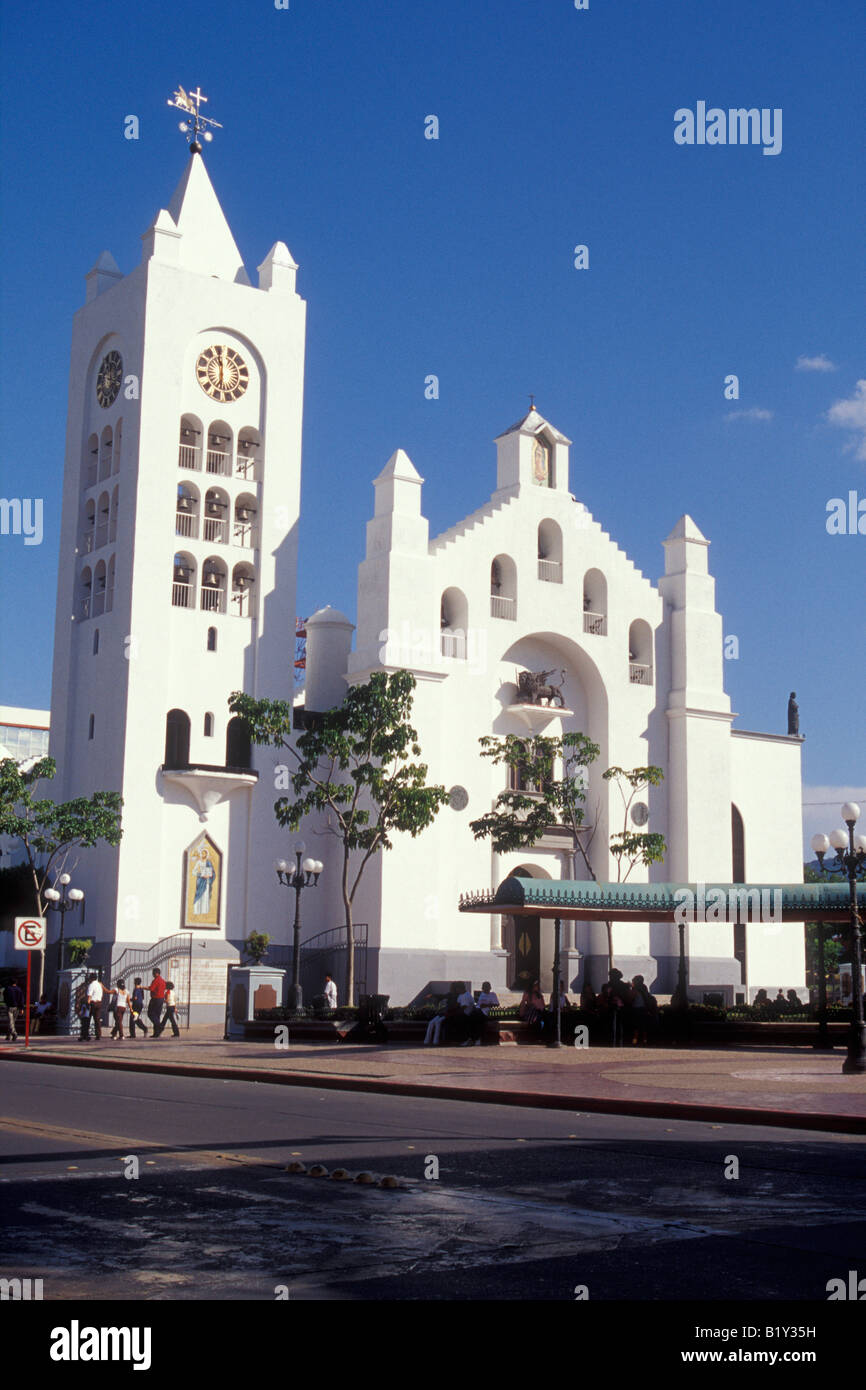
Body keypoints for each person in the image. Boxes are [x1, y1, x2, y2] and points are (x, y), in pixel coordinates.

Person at [86, 974, 107, 1040]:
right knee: (97, 1019)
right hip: (99, 1003)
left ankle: (86, 1034)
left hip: (93, 1003)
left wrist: (87, 1003)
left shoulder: (91, 985)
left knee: (87, 1019)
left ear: (91, 978)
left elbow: (89, 996)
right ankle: (98, 1034)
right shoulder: (99, 985)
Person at [146, 968, 167, 1034]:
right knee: (157, 1015)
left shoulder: (156, 980)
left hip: (155, 998)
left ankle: (160, 1026)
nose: (152, 974)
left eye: (153, 973)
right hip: (161, 999)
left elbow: (151, 988)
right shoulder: (163, 981)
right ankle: (156, 1033)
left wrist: (142, 987)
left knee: (150, 1014)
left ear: (156, 973)